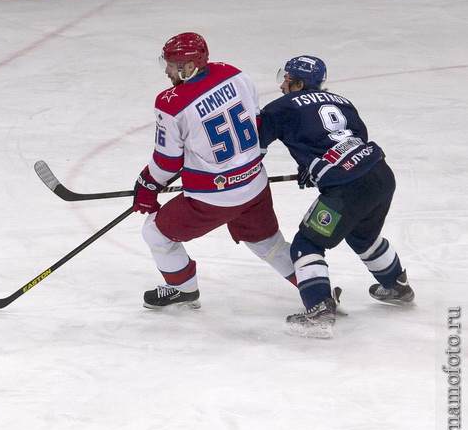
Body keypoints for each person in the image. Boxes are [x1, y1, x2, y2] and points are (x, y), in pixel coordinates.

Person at [133, 32, 296, 310]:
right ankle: (317, 287)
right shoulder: (234, 74)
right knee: (266, 241)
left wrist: (148, 186)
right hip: (255, 186)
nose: (168, 71)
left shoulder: (171, 103)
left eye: (173, 65)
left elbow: (168, 160)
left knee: (154, 231)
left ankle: (182, 289)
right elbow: (257, 125)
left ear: (190, 66)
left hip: (211, 199)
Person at [259, 55, 415, 338]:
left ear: (300, 82)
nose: (283, 84)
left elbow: (254, 145)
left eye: (287, 78)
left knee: (307, 244)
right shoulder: (343, 101)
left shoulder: (280, 107)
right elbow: (350, 139)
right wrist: (314, 165)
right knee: (362, 236)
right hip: (380, 175)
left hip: (347, 188)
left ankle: (319, 309)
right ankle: (396, 283)